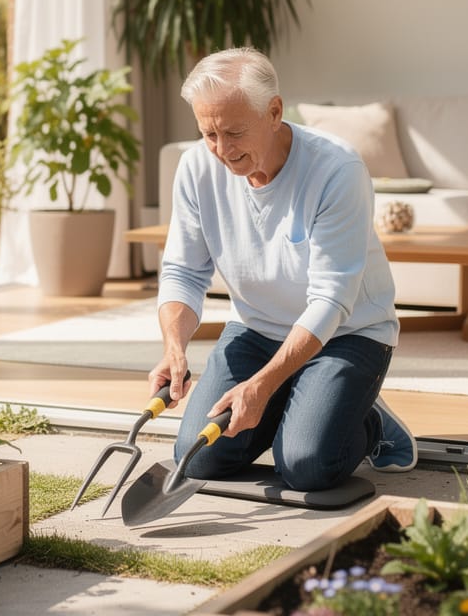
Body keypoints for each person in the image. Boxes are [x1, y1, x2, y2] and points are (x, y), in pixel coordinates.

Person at [150, 47, 416, 492]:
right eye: (209, 133)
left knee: (306, 465)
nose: (222, 150)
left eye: (234, 132)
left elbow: (330, 300)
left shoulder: (337, 169)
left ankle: (367, 420)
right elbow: (184, 271)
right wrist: (174, 348)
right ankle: (308, 400)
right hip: (256, 329)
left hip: (348, 333)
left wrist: (263, 385)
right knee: (198, 457)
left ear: (274, 112)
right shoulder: (197, 167)